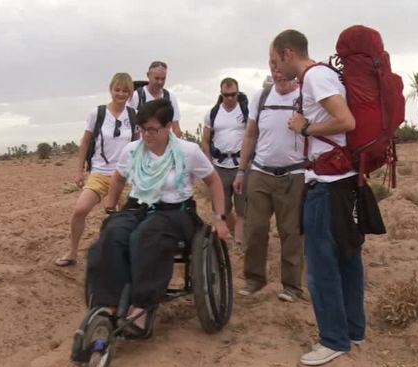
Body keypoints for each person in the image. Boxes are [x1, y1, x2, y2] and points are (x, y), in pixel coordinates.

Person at [87, 99, 229, 336]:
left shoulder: (187, 151)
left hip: (176, 211)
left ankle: (142, 308)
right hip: (138, 207)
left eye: (153, 130)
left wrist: (220, 217)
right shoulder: (131, 150)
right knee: (111, 233)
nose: (146, 135)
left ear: (167, 127)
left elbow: (213, 181)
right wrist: (111, 206)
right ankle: (108, 304)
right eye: (142, 129)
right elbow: (119, 178)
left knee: (146, 237)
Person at [271, 29, 362, 366]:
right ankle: (353, 330)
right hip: (341, 181)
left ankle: (333, 339)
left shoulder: (314, 78)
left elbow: (345, 121)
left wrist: (304, 127)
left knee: (322, 265)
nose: (278, 68)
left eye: (277, 60)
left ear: (288, 52)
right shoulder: (325, 74)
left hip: (326, 183)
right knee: (347, 257)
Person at [233, 56, 306, 302]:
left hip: (294, 175)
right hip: (260, 172)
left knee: (290, 232)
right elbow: (250, 135)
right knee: (255, 228)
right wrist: (241, 171)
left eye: (280, 67)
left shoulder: (305, 97)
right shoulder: (261, 97)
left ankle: (292, 286)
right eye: (272, 67)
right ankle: (254, 278)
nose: (277, 73)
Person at [54, 73, 138, 267]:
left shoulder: (133, 115)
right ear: (111, 89)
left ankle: (129, 257)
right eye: (118, 89)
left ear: (130, 92)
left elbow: (136, 144)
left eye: (125, 90)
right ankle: (72, 252)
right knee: (80, 209)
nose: (121, 93)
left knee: (132, 216)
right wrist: (80, 171)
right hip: (100, 173)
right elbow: (84, 143)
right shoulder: (98, 113)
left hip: (125, 175)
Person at [201, 77, 247, 244]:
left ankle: (240, 244)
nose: (229, 98)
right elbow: (205, 139)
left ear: (238, 93)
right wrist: (208, 162)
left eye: (233, 95)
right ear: (221, 94)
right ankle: (227, 239)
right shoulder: (212, 113)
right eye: (226, 95)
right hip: (220, 166)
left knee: (242, 209)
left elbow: (252, 135)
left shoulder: (245, 112)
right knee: (223, 208)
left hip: (241, 165)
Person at [128, 61, 183, 137]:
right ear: (148, 75)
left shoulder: (170, 97)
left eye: (163, 79)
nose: (160, 82)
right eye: (156, 78)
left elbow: (176, 126)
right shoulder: (137, 96)